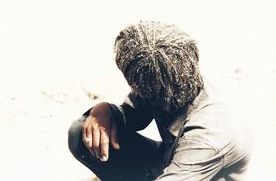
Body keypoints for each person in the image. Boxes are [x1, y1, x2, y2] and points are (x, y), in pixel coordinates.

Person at [68, 21, 252, 181]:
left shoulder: (211, 131)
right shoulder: (165, 81)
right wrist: (104, 111)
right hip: (166, 161)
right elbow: (134, 118)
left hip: (190, 173)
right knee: (82, 133)